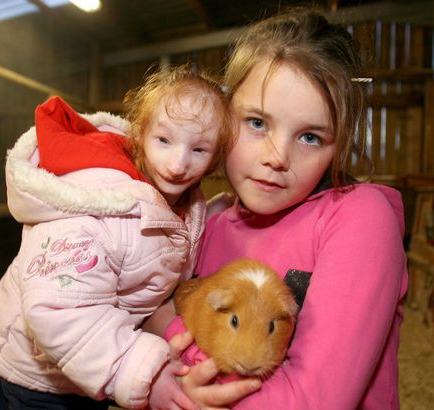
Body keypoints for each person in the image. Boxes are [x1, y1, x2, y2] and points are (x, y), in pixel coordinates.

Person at [149, 7, 409, 409]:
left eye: (309, 137)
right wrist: (161, 378)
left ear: (338, 145)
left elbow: (314, 400)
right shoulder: (208, 221)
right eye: (257, 123)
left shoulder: (359, 217)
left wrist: (182, 361)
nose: (277, 156)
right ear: (223, 116)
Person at [0, 65, 233, 410]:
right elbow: (57, 310)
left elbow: (181, 234)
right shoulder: (95, 203)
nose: (178, 163)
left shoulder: (184, 200)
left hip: (88, 367)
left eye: (199, 150)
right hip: (37, 374)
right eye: (164, 140)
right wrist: (139, 369)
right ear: (140, 134)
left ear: (215, 157)